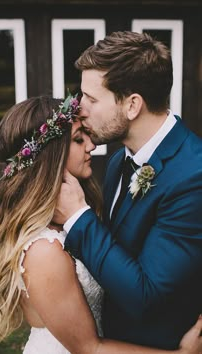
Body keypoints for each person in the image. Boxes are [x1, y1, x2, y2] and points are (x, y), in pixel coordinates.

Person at [0, 94, 202, 354]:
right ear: (50, 157)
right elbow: (90, 348)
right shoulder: (44, 251)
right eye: (78, 139)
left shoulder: (72, 216)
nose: (91, 145)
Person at [54, 31, 202, 350]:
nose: (80, 110)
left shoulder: (194, 177)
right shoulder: (119, 159)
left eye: (91, 99)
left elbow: (145, 295)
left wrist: (79, 217)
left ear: (132, 104)